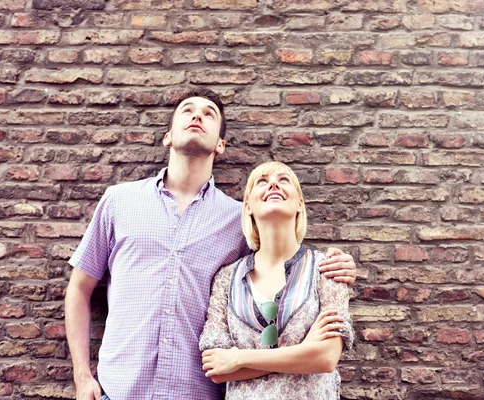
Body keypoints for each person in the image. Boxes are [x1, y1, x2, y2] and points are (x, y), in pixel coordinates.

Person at [65, 88, 357, 400]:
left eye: (209, 114)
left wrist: (337, 267)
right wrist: (82, 376)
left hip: (195, 394)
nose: (197, 116)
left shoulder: (239, 220)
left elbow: (273, 275)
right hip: (119, 390)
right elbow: (80, 289)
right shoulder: (119, 202)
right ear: (168, 135)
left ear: (220, 144)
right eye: (187, 110)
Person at [199, 161, 353, 399]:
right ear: (248, 206)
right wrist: (302, 353)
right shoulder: (226, 278)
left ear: (300, 204)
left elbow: (325, 357)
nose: (273, 184)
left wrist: (239, 358)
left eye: (284, 180)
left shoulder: (327, 269)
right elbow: (216, 367)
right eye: (262, 181)